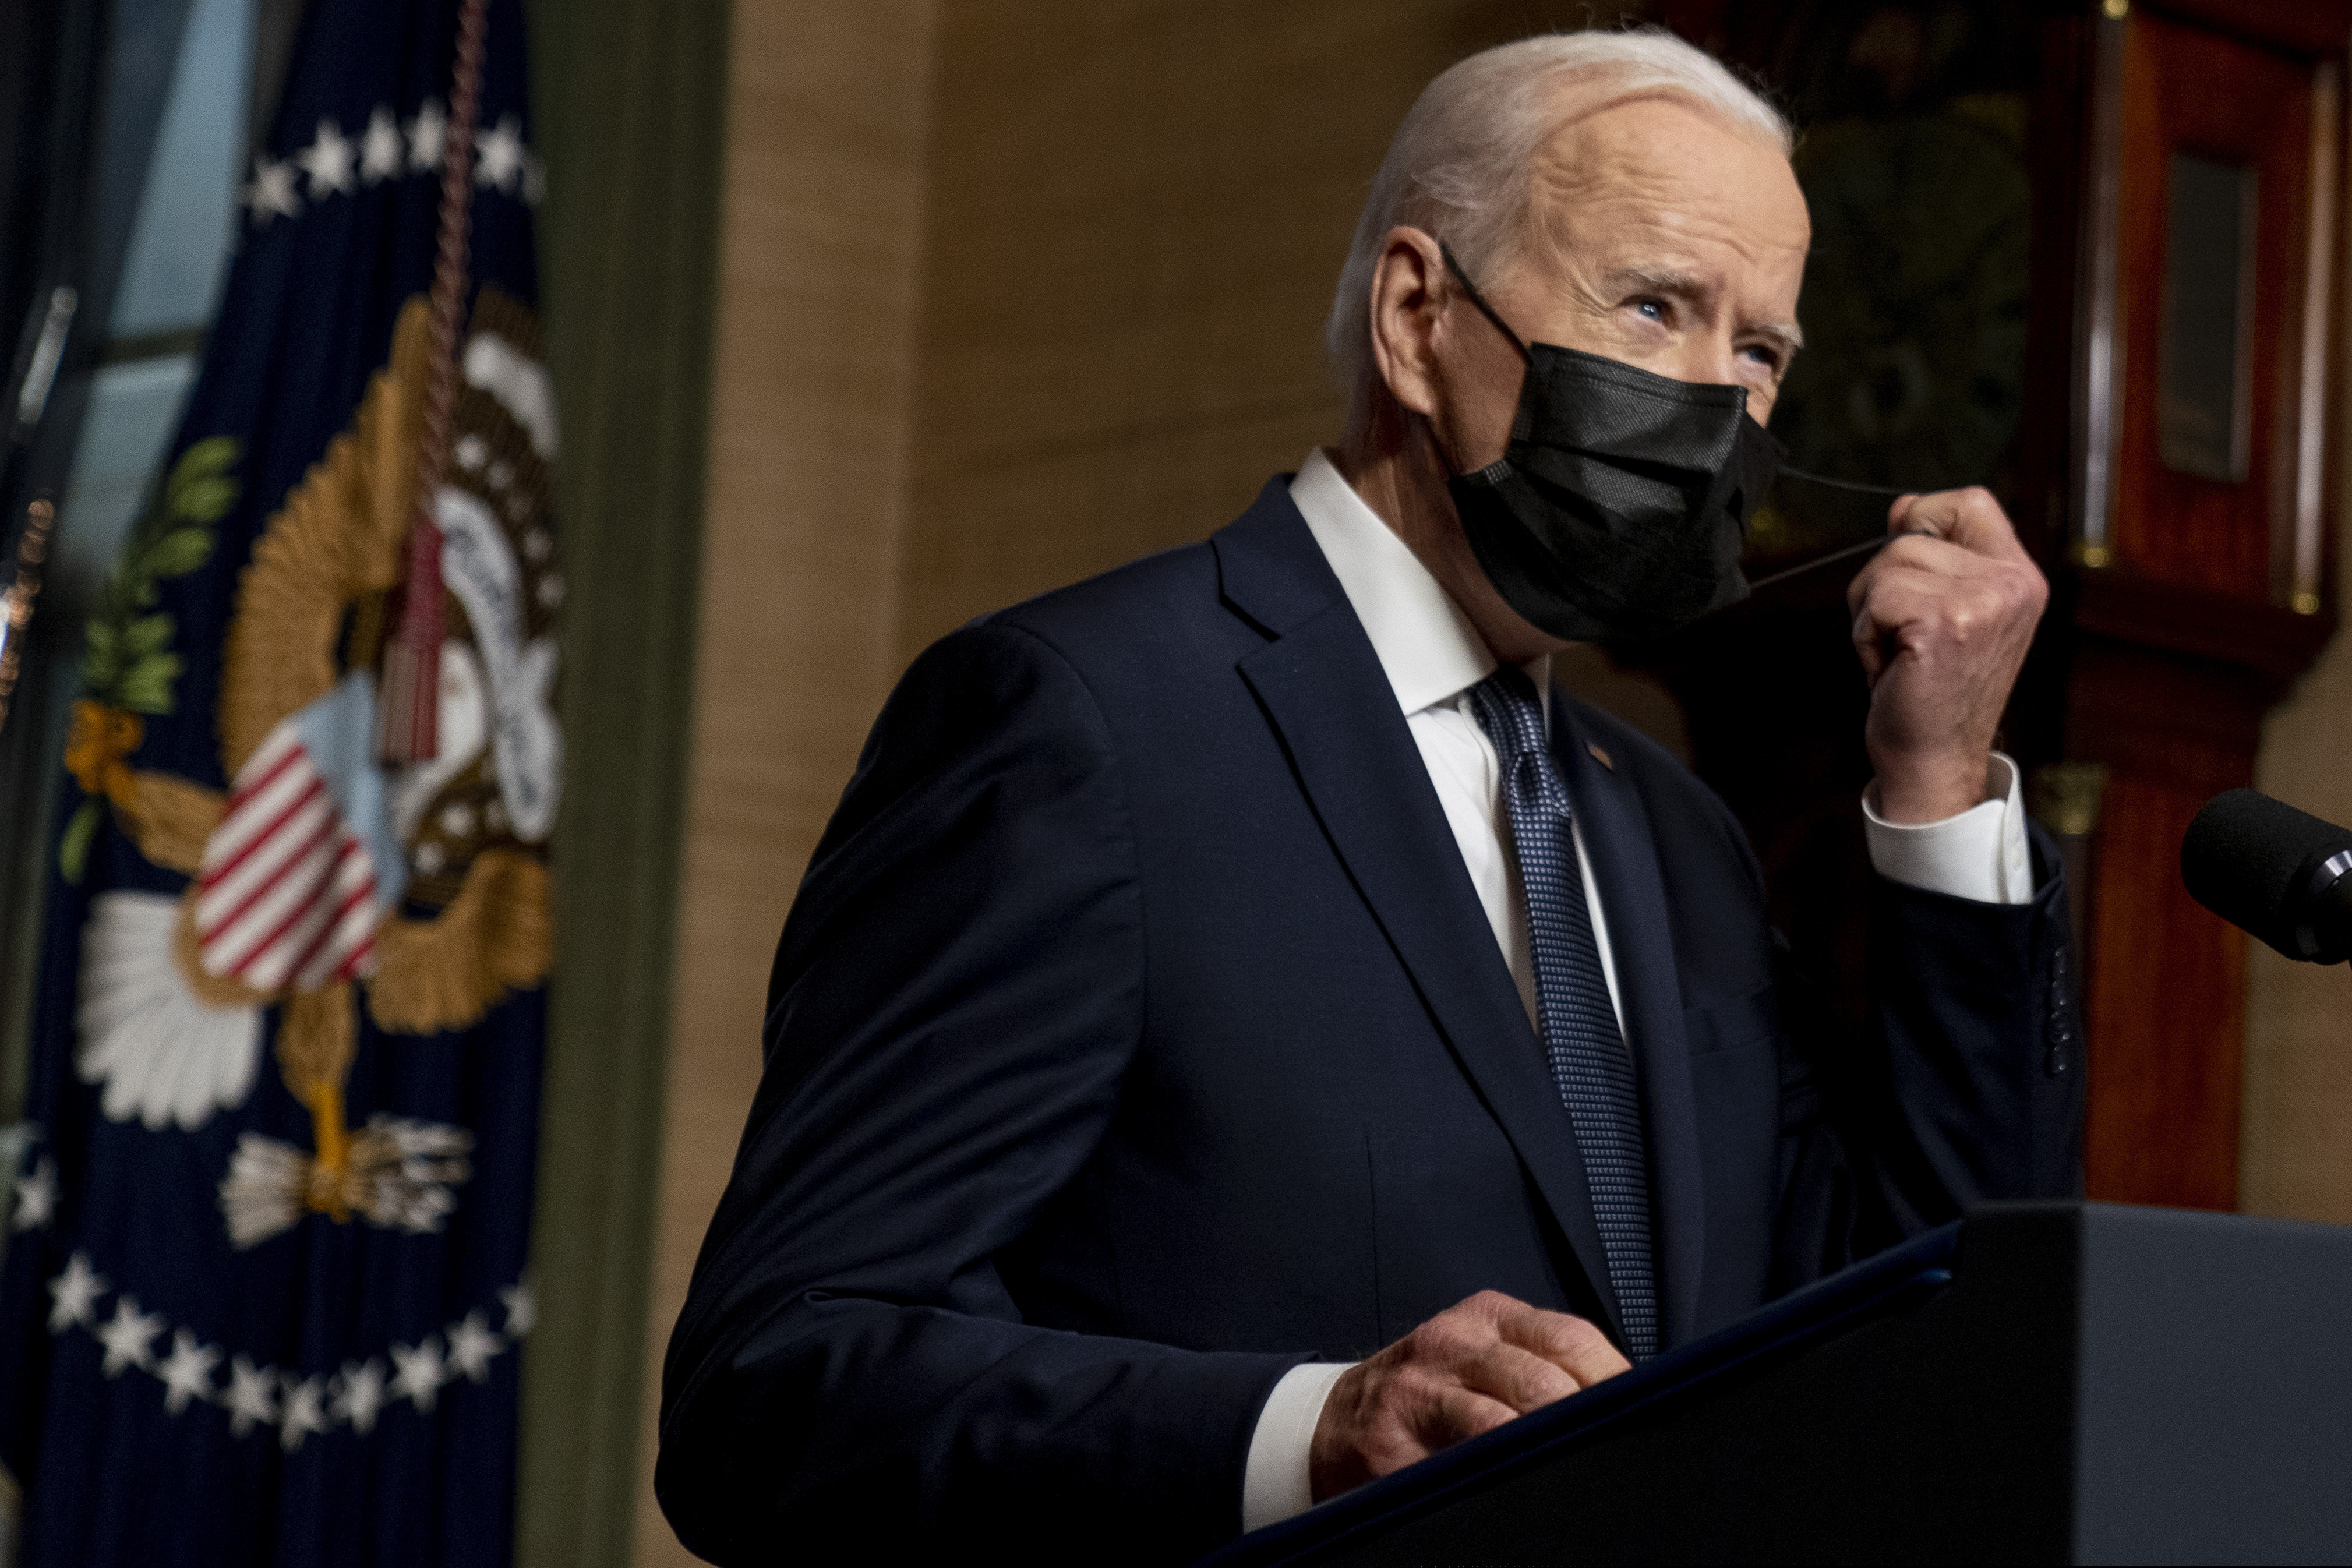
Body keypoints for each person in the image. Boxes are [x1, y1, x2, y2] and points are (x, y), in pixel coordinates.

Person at [657, 29, 2081, 1564]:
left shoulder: (1673, 834)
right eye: (1656, 306)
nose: (1717, 403)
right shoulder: (1083, 723)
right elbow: (772, 1391)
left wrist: (1936, 788)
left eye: (1759, 352)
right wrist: (1309, 1431)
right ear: (1417, 318)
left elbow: (1932, 1320)